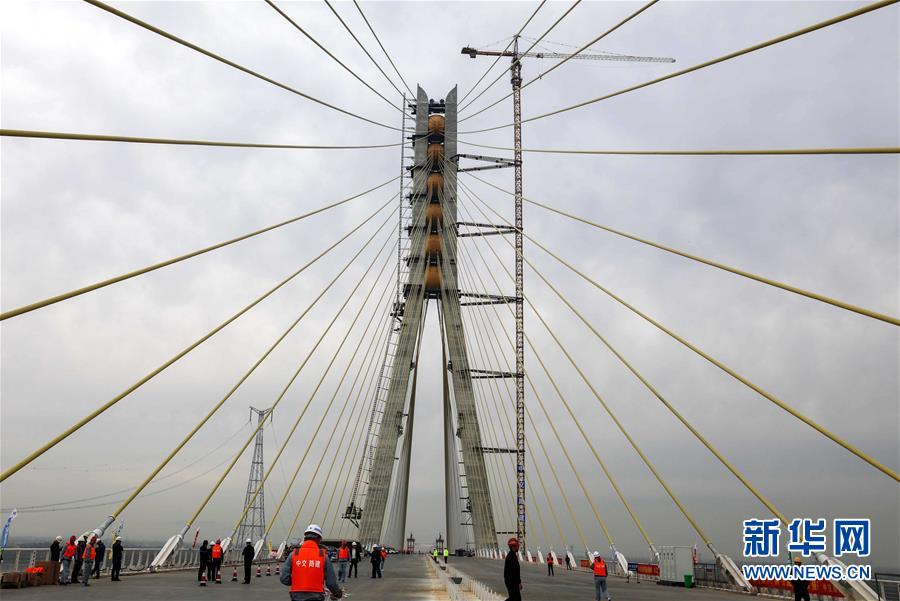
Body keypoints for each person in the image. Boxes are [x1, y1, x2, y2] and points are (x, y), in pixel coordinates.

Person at [279, 523, 343, 600]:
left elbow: (284, 578)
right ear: (319, 539)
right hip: (316, 597)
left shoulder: (294, 554)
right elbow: (331, 583)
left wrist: (297, 582)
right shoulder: (323, 556)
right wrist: (337, 593)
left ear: (305, 538)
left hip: (296, 596)